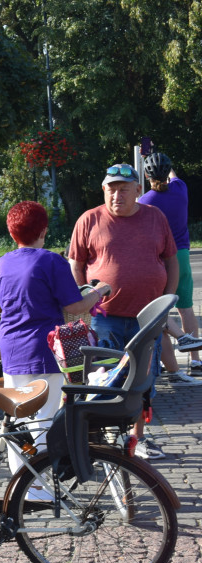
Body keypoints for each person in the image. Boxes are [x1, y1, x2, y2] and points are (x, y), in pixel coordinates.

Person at [68, 163, 178, 459]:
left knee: (142, 382)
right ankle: (100, 439)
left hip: (149, 319)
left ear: (138, 190)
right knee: (104, 380)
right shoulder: (89, 219)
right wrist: (85, 303)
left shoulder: (155, 217)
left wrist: (168, 302)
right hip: (106, 320)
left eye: (123, 189)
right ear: (104, 190)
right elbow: (76, 264)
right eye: (111, 189)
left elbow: (171, 261)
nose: (116, 195)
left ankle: (137, 438)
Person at [0, 201, 110, 479]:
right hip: (46, 349)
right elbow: (74, 306)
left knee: (19, 419)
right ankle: (39, 488)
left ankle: (21, 484)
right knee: (45, 420)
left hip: (11, 350)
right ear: (43, 230)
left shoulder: (2, 263)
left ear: (12, 233)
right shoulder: (51, 261)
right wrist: (100, 291)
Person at [137, 152, 202, 383]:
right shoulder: (181, 189)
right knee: (186, 309)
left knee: (159, 310)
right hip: (182, 255)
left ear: (145, 175)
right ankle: (195, 359)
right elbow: (174, 176)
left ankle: (166, 362)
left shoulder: (144, 202)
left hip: (158, 259)